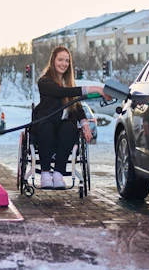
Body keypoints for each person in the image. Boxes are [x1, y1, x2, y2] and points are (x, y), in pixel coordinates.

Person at [30, 46, 111, 190]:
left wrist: (85, 125)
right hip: (45, 124)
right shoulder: (44, 82)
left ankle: (58, 173)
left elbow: (77, 106)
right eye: (60, 60)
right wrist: (94, 88)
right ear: (53, 61)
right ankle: (45, 173)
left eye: (67, 61)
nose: (64, 64)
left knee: (69, 127)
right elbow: (61, 92)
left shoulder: (69, 84)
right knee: (47, 126)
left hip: (63, 128)